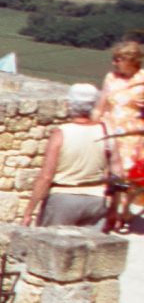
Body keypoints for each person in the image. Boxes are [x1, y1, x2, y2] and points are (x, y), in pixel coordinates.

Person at [21, 84, 113, 228]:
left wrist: (28, 212)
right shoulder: (106, 132)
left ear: (69, 105)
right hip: (97, 200)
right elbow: (116, 172)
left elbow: (46, 177)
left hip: (63, 199)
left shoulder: (61, 134)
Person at [98, 39, 144, 227]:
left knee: (127, 177)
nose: (114, 63)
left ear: (131, 60)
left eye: (118, 59)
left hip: (131, 137)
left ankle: (122, 212)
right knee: (108, 174)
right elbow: (101, 103)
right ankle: (111, 212)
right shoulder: (111, 77)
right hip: (109, 131)